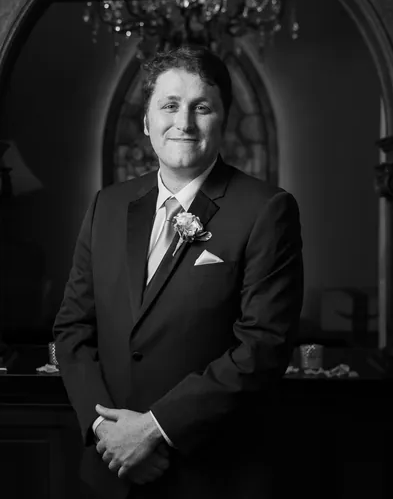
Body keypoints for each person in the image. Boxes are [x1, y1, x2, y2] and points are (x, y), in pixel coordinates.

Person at [52, 45, 304, 499]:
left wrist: (154, 430)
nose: (183, 123)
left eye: (201, 107)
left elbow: (262, 347)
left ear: (221, 120)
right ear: (147, 122)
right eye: (169, 106)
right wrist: (104, 430)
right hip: (109, 473)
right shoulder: (106, 206)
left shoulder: (267, 209)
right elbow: (72, 329)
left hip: (212, 474)